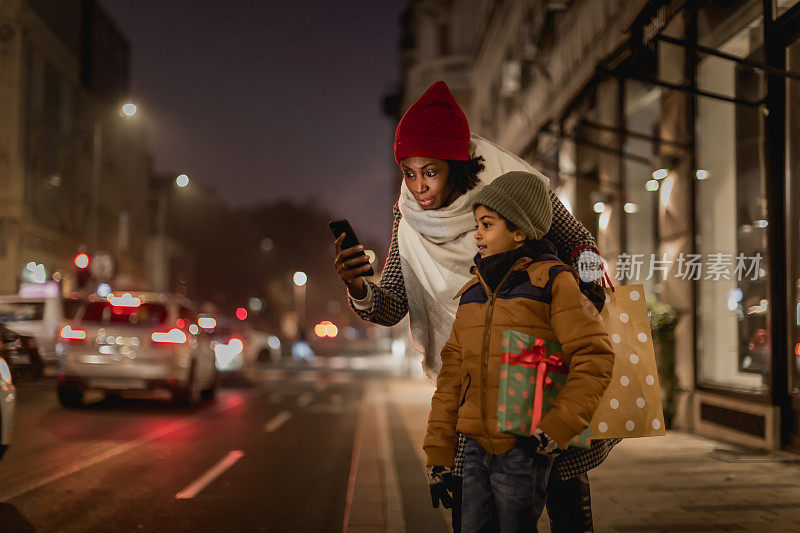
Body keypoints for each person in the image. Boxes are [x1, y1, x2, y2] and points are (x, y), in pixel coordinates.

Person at [334, 80, 617, 531]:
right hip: (471, 379)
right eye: (408, 172)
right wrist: (358, 285)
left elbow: (579, 241)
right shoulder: (408, 215)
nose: (419, 186)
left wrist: (582, 291)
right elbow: (390, 306)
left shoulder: (511, 187)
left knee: (565, 502)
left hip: (539, 381)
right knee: (471, 513)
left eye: (431, 171)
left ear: (456, 165)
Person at [424, 171, 615, 532]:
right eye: (477, 224)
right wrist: (438, 453)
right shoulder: (473, 294)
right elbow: (451, 378)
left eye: (487, 224)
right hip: (474, 449)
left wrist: (559, 426)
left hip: (523, 449)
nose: (477, 233)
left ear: (519, 231)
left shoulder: (553, 283)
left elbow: (595, 356)